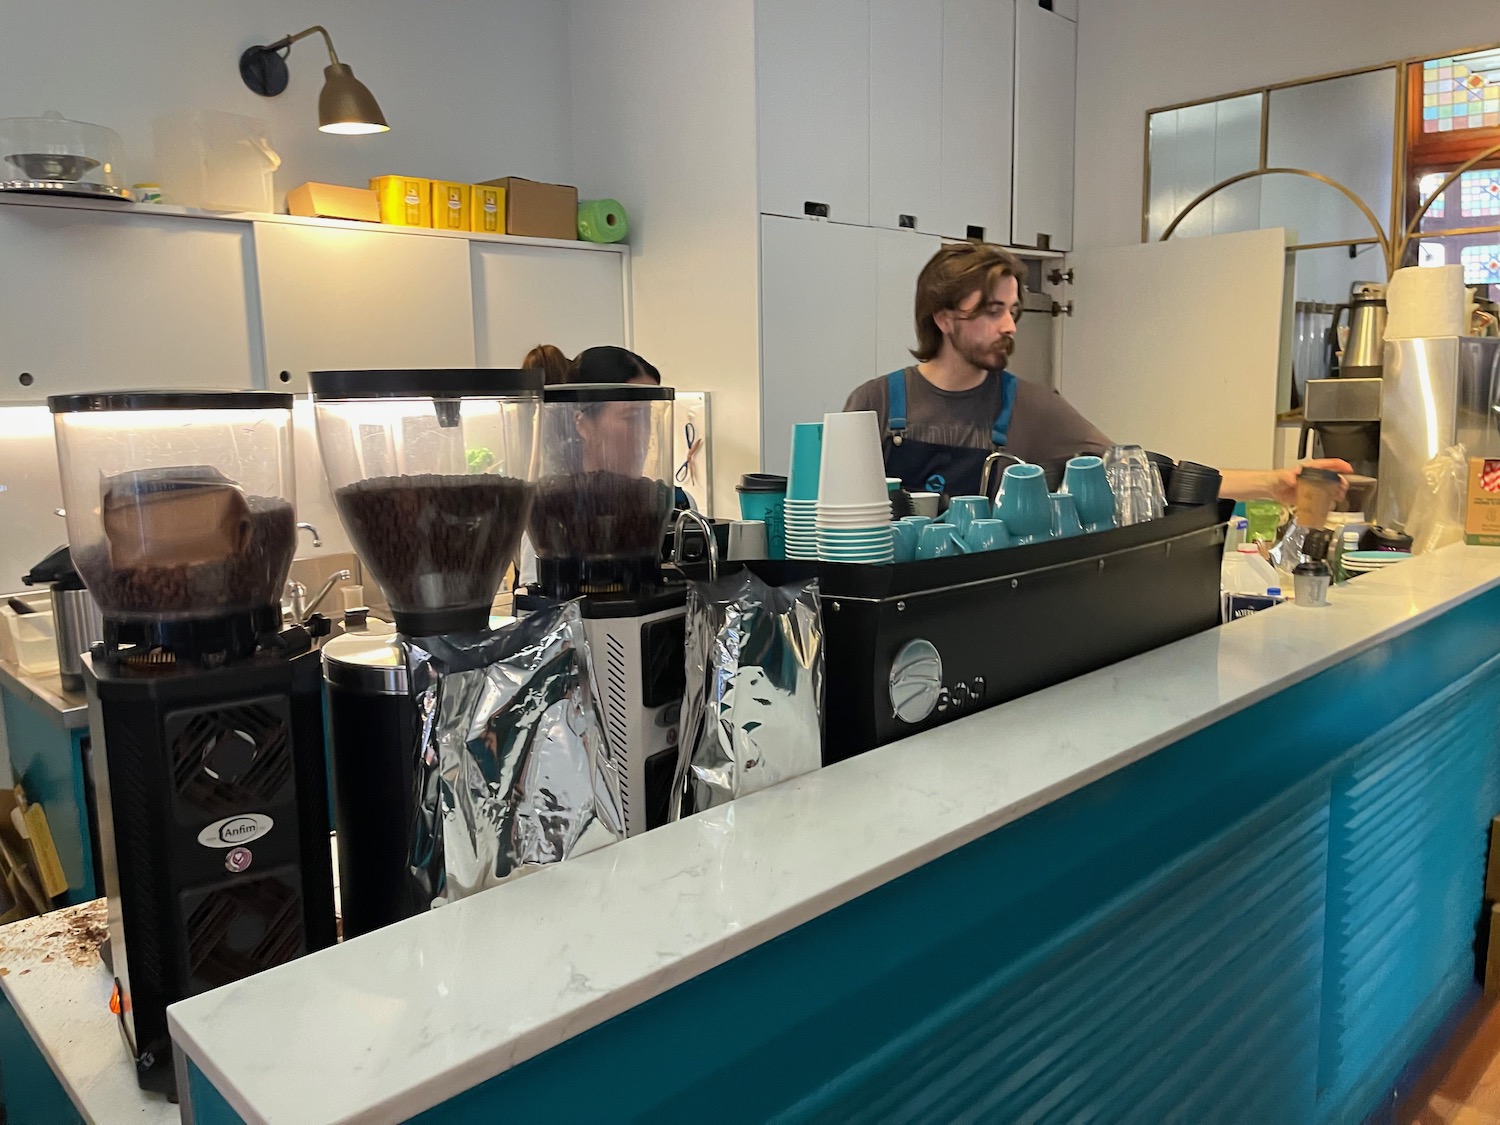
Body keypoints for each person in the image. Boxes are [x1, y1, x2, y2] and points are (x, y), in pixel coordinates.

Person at [844, 241, 1349, 501]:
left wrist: (1271, 482)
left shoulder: (1032, 408)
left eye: (1012, 311)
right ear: (944, 318)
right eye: (991, 311)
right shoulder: (876, 403)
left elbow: (1142, 474)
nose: (1008, 326)